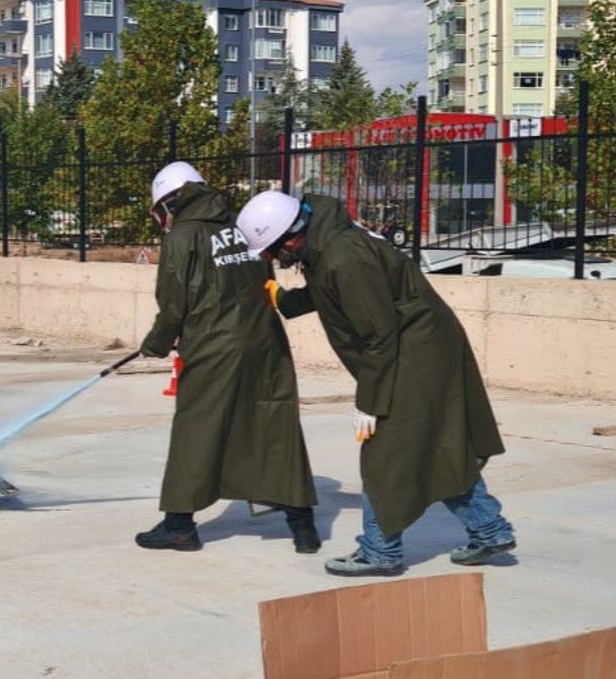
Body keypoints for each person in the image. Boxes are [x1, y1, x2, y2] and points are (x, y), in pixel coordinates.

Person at [235, 190, 516, 577]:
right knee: (434, 444)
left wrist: (370, 401)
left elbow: (379, 335)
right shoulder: (325, 243)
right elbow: (328, 291)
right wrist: (284, 300)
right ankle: (489, 530)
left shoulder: (342, 256)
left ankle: (380, 551)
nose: (270, 258)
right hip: (415, 348)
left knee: (383, 452)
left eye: (271, 250)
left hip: (414, 354)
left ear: (292, 235)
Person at [135, 163, 320, 554]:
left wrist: (156, 342)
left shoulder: (182, 236)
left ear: (171, 201)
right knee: (274, 426)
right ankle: (303, 528)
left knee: (196, 429)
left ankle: (179, 526)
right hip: (266, 342)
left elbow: (173, 305)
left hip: (213, 346)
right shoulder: (242, 224)